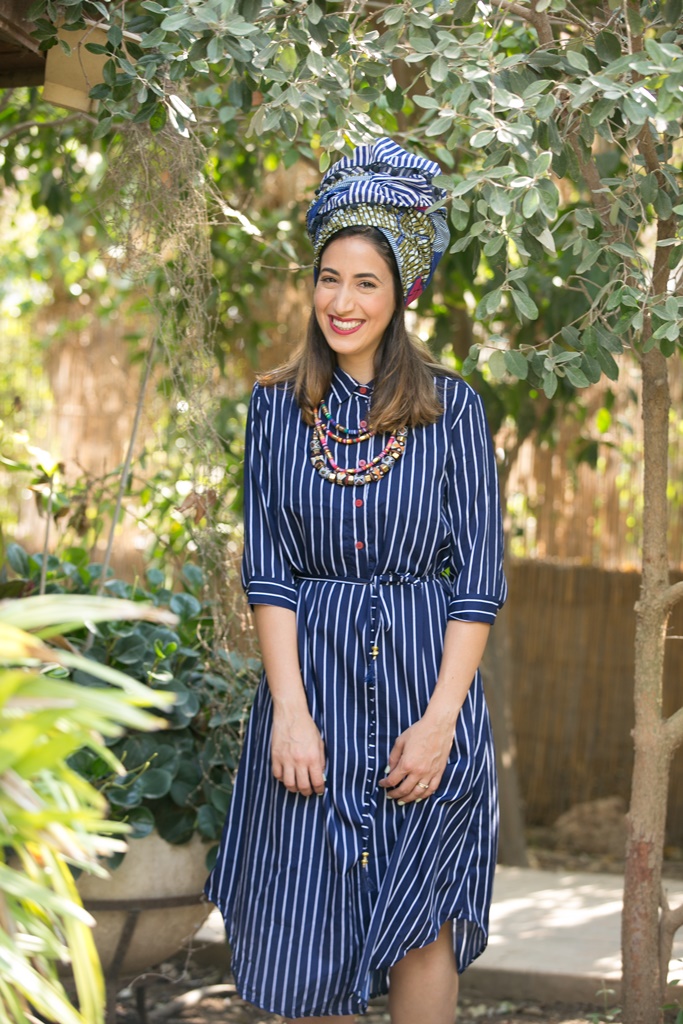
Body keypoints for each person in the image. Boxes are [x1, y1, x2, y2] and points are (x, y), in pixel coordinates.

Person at [205, 137, 507, 1024]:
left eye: (365, 282)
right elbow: (269, 570)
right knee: (312, 924)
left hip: (425, 689)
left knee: (422, 926)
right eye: (328, 279)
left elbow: (477, 580)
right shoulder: (275, 407)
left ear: (401, 292)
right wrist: (289, 713)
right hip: (314, 689)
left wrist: (440, 724)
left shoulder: (452, 409)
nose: (342, 302)